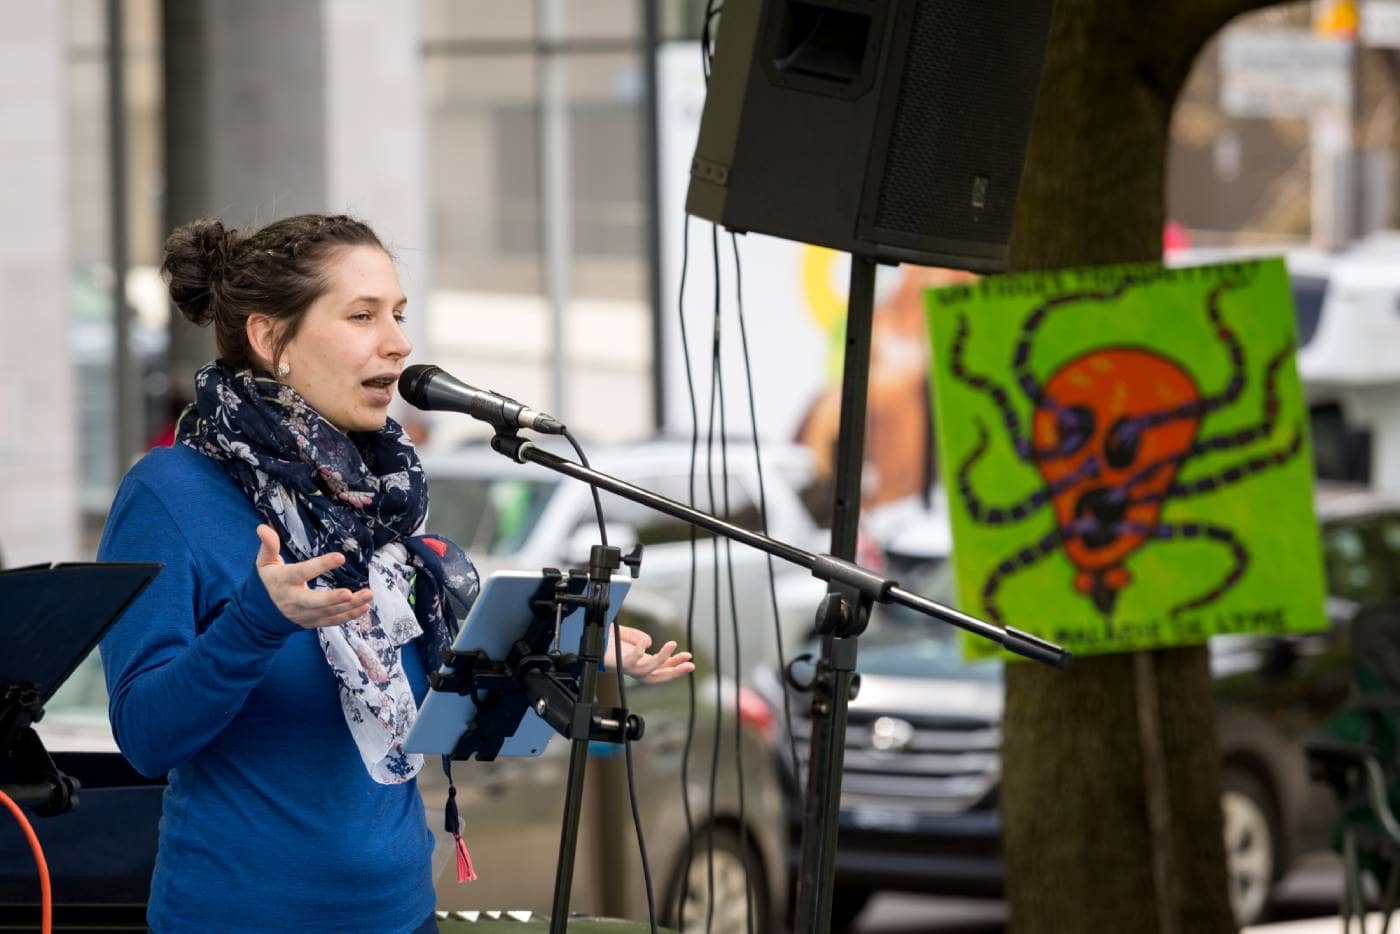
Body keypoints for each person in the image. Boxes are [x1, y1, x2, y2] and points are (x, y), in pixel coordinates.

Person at [97, 213, 694, 934]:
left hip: (402, 917)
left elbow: (428, 704)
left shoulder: (377, 505)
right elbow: (145, 736)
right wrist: (257, 620)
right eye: (361, 315)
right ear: (270, 338)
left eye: (400, 314)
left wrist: (560, 647)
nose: (399, 342)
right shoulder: (171, 494)